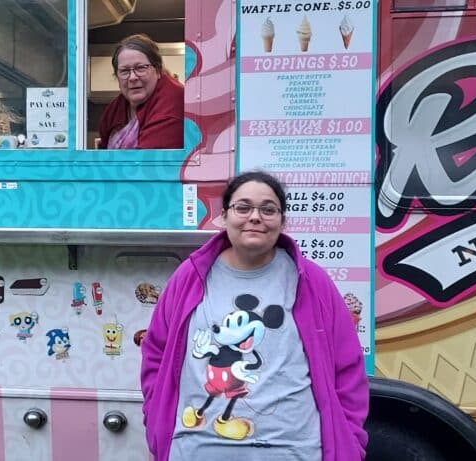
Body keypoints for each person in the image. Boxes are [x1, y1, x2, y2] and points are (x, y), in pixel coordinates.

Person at [140, 171, 369, 460]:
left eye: (268, 209)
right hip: (197, 450)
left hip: (293, 450)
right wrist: (155, 419)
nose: (255, 217)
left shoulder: (311, 281)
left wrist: (350, 438)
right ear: (224, 217)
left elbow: (347, 367)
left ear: (283, 222)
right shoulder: (191, 276)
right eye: (243, 207)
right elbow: (156, 352)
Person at [98, 34, 184, 149]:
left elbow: (148, 161)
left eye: (140, 68)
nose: (132, 77)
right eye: (124, 71)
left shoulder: (174, 100)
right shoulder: (114, 110)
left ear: (158, 70)